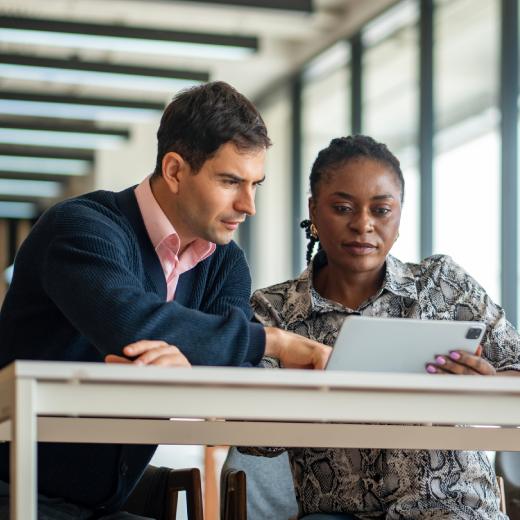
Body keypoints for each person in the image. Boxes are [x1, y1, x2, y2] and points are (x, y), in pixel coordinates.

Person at [0, 81, 330, 520]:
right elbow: (135, 326)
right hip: (15, 491)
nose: (248, 204)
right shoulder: (79, 229)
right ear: (175, 171)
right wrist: (274, 341)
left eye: (256, 184)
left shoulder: (225, 262)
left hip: (101, 505)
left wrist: (190, 361)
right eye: (230, 181)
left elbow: (229, 370)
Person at [239, 135, 520, 519]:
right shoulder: (274, 310)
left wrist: (488, 387)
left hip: (453, 506)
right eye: (342, 208)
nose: (363, 225)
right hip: (338, 513)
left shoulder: (443, 284)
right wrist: (301, 395)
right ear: (314, 212)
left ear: (400, 216)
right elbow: (255, 442)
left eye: (382, 210)